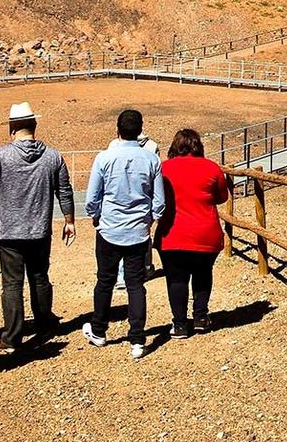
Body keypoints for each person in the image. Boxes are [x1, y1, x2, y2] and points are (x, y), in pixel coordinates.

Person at [0, 101, 75, 354]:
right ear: (34, 125)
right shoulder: (53, 156)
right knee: (40, 278)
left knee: (12, 284)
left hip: (9, 230)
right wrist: (69, 220)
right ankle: (45, 325)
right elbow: (64, 190)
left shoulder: (0, 155)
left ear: (12, 128)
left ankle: (12, 336)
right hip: (39, 229)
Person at [83, 109, 165, 360]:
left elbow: (92, 197)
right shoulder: (151, 160)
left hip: (109, 228)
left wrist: (95, 216)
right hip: (138, 231)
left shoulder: (104, 158)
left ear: (117, 130)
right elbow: (159, 201)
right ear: (140, 131)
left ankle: (99, 330)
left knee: (104, 281)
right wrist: (149, 220)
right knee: (136, 285)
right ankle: (138, 339)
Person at [154, 128, 229, 338]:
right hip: (206, 233)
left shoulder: (163, 168)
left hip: (172, 234)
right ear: (199, 147)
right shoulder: (212, 168)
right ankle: (201, 317)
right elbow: (222, 197)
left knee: (176, 279)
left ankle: (179, 324)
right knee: (203, 274)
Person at [107, 128, 160, 289]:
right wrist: (155, 212)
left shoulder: (114, 145)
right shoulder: (152, 146)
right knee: (143, 237)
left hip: (118, 198)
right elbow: (155, 177)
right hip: (143, 198)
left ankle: (122, 276)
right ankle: (144, 269)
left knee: (121, 237)